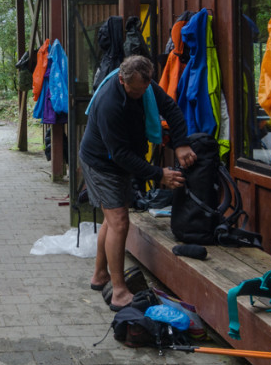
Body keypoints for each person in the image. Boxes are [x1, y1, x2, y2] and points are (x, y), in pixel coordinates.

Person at [79, 55, 196, 310]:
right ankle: (119, 291)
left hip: (119, 160)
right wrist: (158, 174)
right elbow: (120, 155)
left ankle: (100, 275)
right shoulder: (109, 103)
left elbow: (172, 110)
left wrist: (181, 144)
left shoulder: (146, 86)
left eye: (146, 87)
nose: (143, 94)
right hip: (100, 163)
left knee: (113, 220)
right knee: (120, 221)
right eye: (136, 90)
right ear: (122, 81)